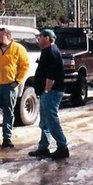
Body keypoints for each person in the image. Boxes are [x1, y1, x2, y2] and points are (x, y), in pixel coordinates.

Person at [28, 29, 69, 160]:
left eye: (40, 37)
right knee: (45, 121)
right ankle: (43, 147)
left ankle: (62, 147)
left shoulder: (52, 52)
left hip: (52, 91)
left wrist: (46, 90)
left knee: (51, 120)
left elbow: (51, 75)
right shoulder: (47, 51)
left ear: (47, 38)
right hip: (47, 91)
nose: (38, 39)